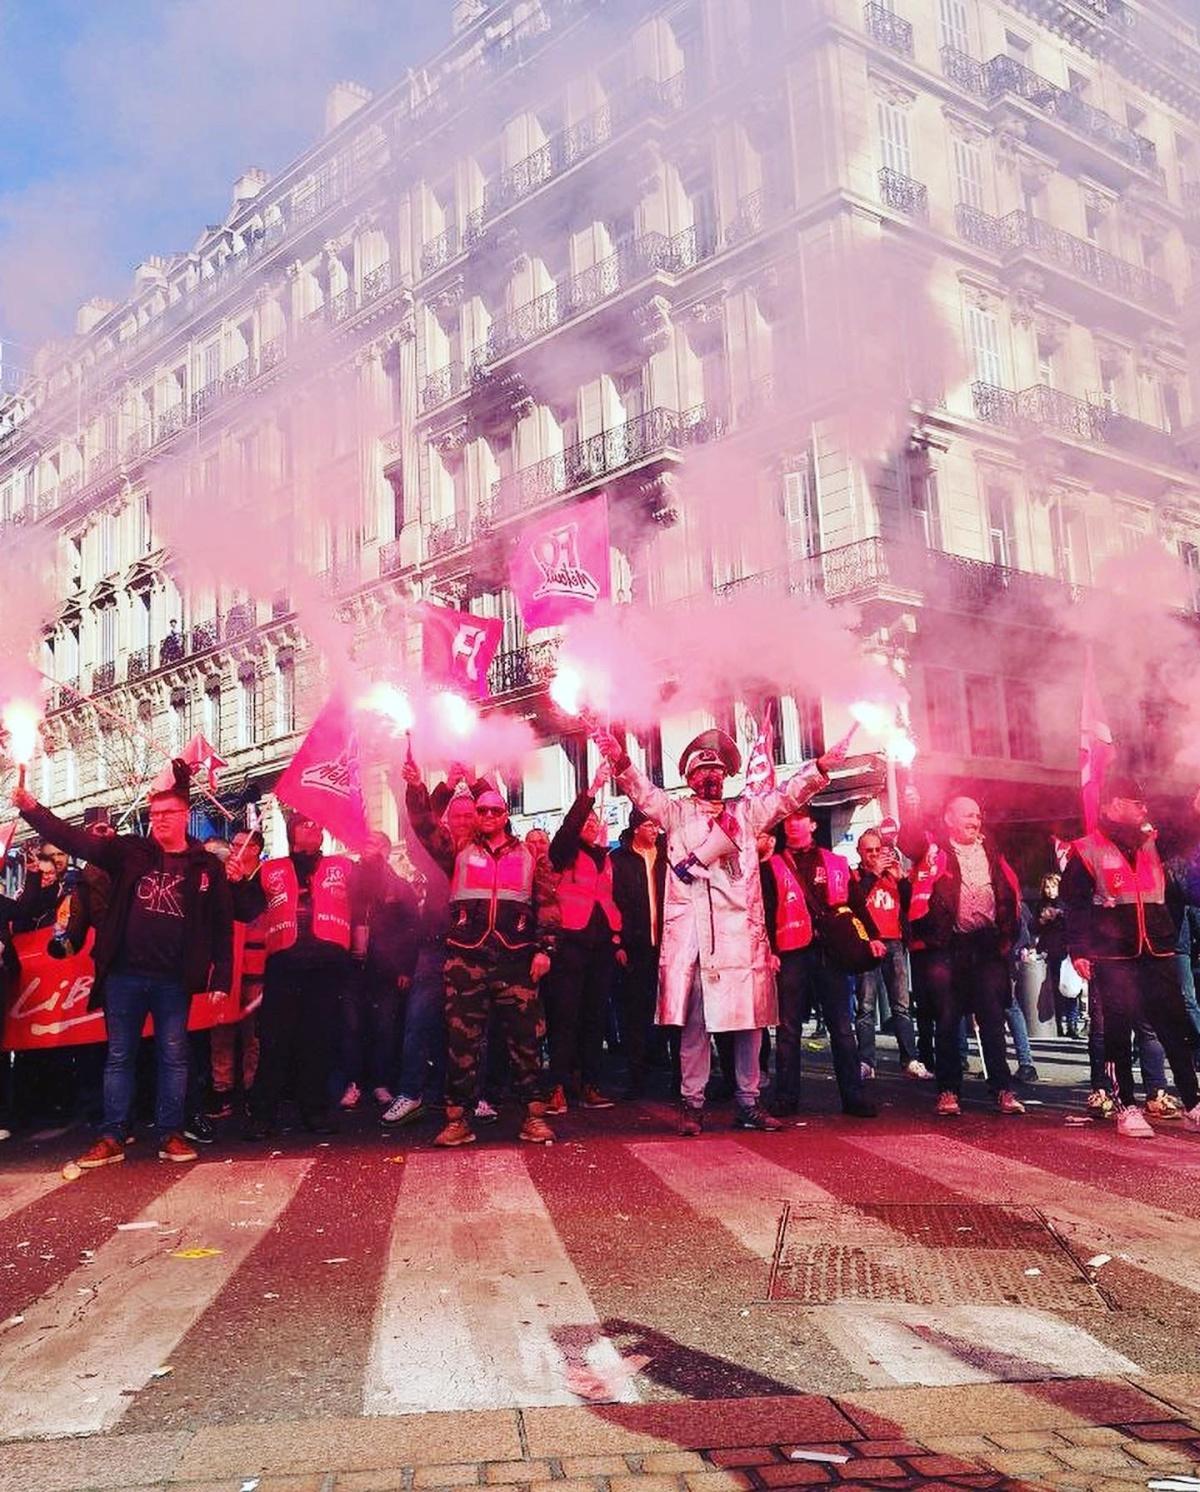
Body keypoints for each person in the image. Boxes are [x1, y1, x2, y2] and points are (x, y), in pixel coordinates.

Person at [595, 724, 849, 1136]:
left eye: (715, 770)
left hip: (740, 940)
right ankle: (692, 1103)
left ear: (725, 777)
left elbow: (787, 797)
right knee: (695, 1025)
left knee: (749, 1024)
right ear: (690, 780)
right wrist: (620, 758)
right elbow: (640, 790)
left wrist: (820, 766)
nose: (709, 777)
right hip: (695, 940)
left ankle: (749, 1102)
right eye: (701, 772)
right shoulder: (674, 814)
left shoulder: (746, 813)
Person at [10, 761, 233, 1168]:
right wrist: (32, 809)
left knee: (174, 1055)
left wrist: (222, 971)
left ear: (185, 815)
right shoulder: (131, 852)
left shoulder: (207, 868)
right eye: (153, 815)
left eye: (167, 814)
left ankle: (171, 1133)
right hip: (124, 975)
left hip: (173, 979)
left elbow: (221, 924)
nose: (158, 821)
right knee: (120, 1055)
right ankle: (113, 1135)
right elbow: (76, 842)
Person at [1061, 775, 1200, 1137]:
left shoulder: (1153, 842)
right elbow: (1074, 906)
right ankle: (1126, 1106)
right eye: (1136, 803)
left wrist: (1196, 809)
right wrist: (1079, 950)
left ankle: (1193, 1102)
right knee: (1118, 1032)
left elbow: (1186, 836)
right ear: (1113, 805)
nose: (1144, 809)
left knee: (1174, 1028)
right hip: (1114, 955)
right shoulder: (1086, 849)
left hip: (1156, 948)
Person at [434, 782, 560, 1148]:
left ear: (506, 815)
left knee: (526, 1042)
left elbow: (548, 905)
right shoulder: (458, 848)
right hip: (465, 959)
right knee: (461, 1043)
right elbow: (425, 826)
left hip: (516, 960)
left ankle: (534, 1117)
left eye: (495, 810)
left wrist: (545, 950)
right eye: (482, 810)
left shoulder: (530, 855)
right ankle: (458, 1120)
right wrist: (425, 787)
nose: (488, 816)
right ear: (474, 815)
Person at [899, 785, 1025, 1117]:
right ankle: (948, 1091)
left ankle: (1002, 1089)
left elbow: (1007, 893)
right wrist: (911, 807)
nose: (976, 820)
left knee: (993, 1020)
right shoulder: (934, 849)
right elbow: (906, 843)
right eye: (968, 814)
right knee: (948, 1020)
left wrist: (1005, 937)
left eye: (978, 815)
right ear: (949, 819)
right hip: (949, 947)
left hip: (986, 947)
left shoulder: (992, 851)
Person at [761, 811, 879, 1118]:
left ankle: (853, 1097)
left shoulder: (835, 862)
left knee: (842, 1027)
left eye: (800, 819)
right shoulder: (771, 865)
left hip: (831, 953)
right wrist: (770, 951)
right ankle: (786, 1097)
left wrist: (873, 937)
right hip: (792, 953)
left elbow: (856, 904)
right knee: (788, 1029)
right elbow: (766, 910)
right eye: (788, 820)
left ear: (813, 824)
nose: (793, 824)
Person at [244, 813, 354, 1138]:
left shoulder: (344, 867)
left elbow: (369, 896)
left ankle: (315, 1112)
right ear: (293, 832)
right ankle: (263, 1115)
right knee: (276, 1041)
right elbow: (245, 909)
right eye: (308, 824)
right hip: (285, 964)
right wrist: (235, 881)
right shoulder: (270, 870)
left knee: (318, 1041)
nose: (316, 828)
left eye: (318, 824)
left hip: (326, 966)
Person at [381, 764, 479, 1127]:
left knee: (472, 1027)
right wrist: (428, 785)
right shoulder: (442, 848)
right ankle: (411, 1093)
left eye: (472, 814)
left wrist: (476, 780)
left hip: (474, 947)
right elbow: (421, 823)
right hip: (436, 945)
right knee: (419, 1022)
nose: (467, 820)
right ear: (449, 819)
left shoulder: (490, 852)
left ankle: (472, 1096)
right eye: (459, 814)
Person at [544, 765, 621, 1114]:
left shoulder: (605, 858)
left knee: (594, 1017)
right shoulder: (564, 851)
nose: (590, 826)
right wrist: (591, 791)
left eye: (594, 822)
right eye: (586, 822)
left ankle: (589, 1083)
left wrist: (617, 940)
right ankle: (556, 1086)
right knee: (565, 1017)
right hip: (569, 944)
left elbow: (609, 900)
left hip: (600, 946)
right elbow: (569, 828)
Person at [340, 831, 421, 1110]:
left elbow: (412, 930)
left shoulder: (399, 887)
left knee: (384, 1027)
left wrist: (405, 968)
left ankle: (381, 1083)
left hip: (385, 969)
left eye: (373, 844)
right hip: (352, 966)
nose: (366, 848)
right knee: (351, 1026)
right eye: (365, 843)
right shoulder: (349, 882)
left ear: (386, 851)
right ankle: (353, 1082)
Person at [849, 826, 930, 1081]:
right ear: (860, 852)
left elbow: (910, 905)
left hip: (894, 942)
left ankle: (910, 1059)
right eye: (868, 851)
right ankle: (866, 1061)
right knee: (865, 1006)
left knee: (902, 1005)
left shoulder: (892, 876)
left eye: (877, 850)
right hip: (867, 943)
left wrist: (903, 879)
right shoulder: (855, 876)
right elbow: (855, 901)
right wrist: (872, 875)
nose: (873, 855)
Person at [610, 808, 668, 1098]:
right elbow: (612, 901)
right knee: (634, 1011)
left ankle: (669, 1070)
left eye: (656, 825)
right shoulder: (619, 860)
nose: (654, 830)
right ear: (635, 828)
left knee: (669, 1009)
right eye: (648, 825)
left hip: (667, 944)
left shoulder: (667, 856)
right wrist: (617, 941)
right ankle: (636, 1074)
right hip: (633, 946)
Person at [209, 828, 266, 1117]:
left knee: (252, 1033)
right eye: (233, 845)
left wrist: (241, 883)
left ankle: (251, 1090)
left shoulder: (266, 878)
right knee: (220, 1030)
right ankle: (223, 1091)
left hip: (255, 966)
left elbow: (258, 911)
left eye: (241, 845)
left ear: (255, 849)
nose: (235, 850)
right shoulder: (222, 878)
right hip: (227, 965)